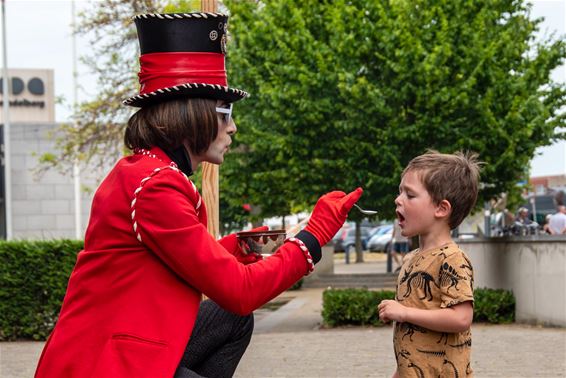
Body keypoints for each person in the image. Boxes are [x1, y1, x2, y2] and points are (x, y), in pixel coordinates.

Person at [34, 12, 362, 378]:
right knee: (236, 308)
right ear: (193, 114)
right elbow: (240, 291)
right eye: (226, 113)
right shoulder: (157, 185)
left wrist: (240, 248)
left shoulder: (144, 172)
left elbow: (176, 262)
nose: (233, 127)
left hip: (116, 348)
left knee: (233, 320)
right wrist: (311, 238)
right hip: (106, 366)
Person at [378, 150, 480, 378]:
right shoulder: (410, 258)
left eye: (410, 195)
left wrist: (404, 313)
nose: (398, 199)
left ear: (441, 209)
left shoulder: (451, 258)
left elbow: (461, 318)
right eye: (399, 192)